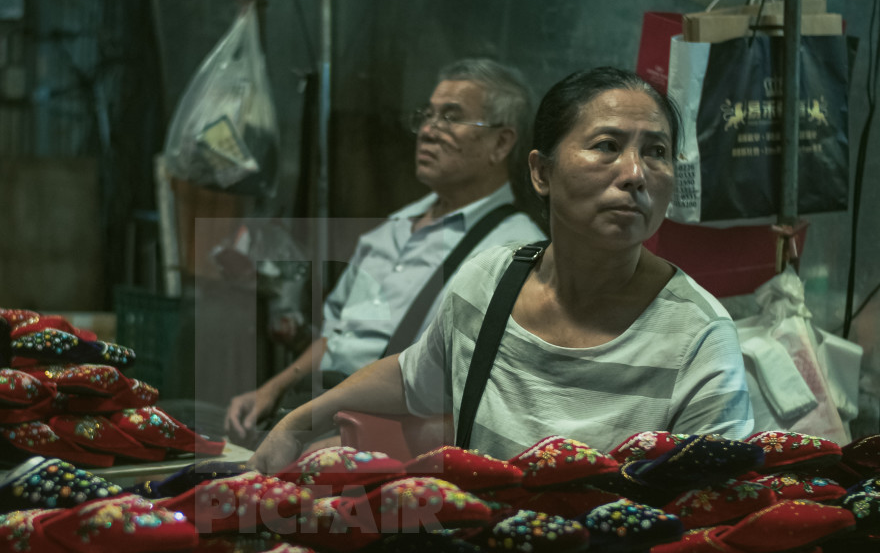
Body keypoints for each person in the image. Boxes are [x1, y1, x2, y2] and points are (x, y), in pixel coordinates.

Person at [249, 65, 755, 474]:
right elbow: (412, 377)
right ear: (541, 172)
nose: (635, 174)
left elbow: (713, 506)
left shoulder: (698, 337)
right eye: (606, 146)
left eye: (657, 152)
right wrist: (296, 421)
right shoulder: (490, 281)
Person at [224, 58, 547, 445]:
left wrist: (365, 439)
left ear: (501, 142)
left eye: (451, 117)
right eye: (427, 115)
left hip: (385, 434)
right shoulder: (391, 229)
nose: (428, 130)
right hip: (316, 406)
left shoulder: (513, 252)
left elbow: (473, 391)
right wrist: (271, 390)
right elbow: (336, 333)